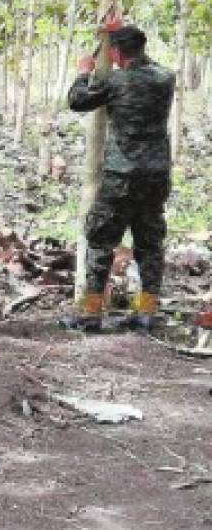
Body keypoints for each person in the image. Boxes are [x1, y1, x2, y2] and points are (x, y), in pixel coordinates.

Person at [63, 19, 175, 331]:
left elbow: (77, 101)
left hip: (122, 176)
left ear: (115, 53)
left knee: (100, 241)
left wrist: (84, 70)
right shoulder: (166, 78)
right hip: (156, 175)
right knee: (150, 243)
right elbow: (145, 63)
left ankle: (90, 313)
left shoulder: (115, 82)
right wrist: (120, 34)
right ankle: (147, 312)